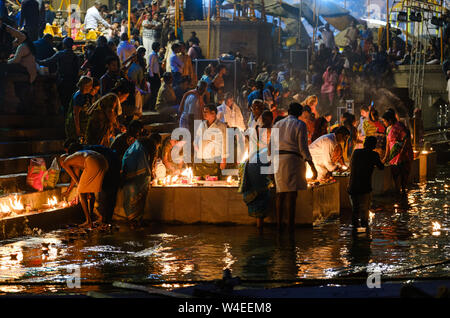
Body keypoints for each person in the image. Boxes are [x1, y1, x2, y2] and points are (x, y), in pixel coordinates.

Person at [271, 102, 318, 232]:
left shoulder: (277, 124)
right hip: (292, 161)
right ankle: (290, 226)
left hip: (278, 160)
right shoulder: (300, 125)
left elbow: (271, 146)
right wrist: (312, 165)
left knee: (280, 194)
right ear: (299, 113)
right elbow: (303, 148)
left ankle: (279, 226)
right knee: (291, 195)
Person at [66, 142, 121, 224]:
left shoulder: (85, 154)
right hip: (112, 163)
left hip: (110, 165)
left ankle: (103, 220)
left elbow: (80, 174)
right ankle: (106, 219)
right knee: (110, 193)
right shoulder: (89, 150)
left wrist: (80, 187)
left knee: (106, 192)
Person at [59, 150, 109, 228]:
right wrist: (69, 190)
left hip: (92, 161)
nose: (62, 166)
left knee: (81, 192)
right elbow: (75, 178)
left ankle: (88, 221)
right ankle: (93, 216)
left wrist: (80, 189)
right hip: (103, 162)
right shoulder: (76, 158)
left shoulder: (65, 162)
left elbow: (75, 178)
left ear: (61, 162)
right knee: (88, 189)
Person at [122, 134, 161, 222]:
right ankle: (137, 220)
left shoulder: (140, 142)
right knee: (142, 191)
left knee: (130, 193)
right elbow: (151, 162)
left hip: (129, 167)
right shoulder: (152, 145)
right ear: (157, 143)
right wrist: (151, 175)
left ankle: (131, 218)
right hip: (140, 169)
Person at [348, 136, 384, 230]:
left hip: (353, 186)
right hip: (365, 187)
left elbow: (351, 164)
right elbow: (381, 167)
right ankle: (365, 235)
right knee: (364, 211)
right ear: (374, 146)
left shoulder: (356, 152)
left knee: (355, 210)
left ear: (364, 144)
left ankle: (354, 235)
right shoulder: (374, 155)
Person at [39, 37, 79, 114]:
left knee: (61, 99)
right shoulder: (75, 56)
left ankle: (62, 117)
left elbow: (48, 61)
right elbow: (76, 70)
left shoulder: (61, 54)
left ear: (64, 45)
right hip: (72, 81)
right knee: (69, 100)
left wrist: (36, 61)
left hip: (62, 80)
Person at [238, 146, 273, 229]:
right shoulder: (271, 153)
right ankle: (259, 228)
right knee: (260, 198)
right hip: (256, 176)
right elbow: (271, 172)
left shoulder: (262, 151)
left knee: (258, 198)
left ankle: (259, 227)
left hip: (250, 173)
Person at [381, 110, 413, 194]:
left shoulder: (399, 126)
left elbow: (407, 139)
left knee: (403, 175)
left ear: (390, 120)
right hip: (393, 155)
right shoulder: (388, 129)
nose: (383, 123)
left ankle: (403, 193)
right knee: (395, 175)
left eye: (384, 121)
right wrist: (386, 156)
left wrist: (402, 152)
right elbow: (388, 143)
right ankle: (398, 193)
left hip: (402, 155)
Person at [193, 103, 228, 178]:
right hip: (201, 159)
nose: (204, 114)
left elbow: (225, 144)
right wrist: (196, 145)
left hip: (214, 161)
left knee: (212, 180)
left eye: (206, 112)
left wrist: (223, 160)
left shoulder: (221, 127)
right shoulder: (202, 125)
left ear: (213, 113)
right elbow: (196, 138)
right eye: (203, 112)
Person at [65, 76, 93, 142]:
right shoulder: (79, 96)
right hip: (77, 126)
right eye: (90, 85)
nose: (91, 87)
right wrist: (78, 130)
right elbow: (76, 114)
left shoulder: (85, 95)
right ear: (85, 85)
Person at [148, 41, 161, 109]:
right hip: (153, 76)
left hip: (156, 75)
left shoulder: (156, 55)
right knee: (153, 92)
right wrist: (152, 76)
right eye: (158, 47)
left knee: (156, 91)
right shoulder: (152, 55)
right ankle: (152, 106)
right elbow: (151, 66)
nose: (159, 48)